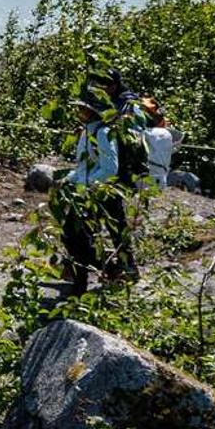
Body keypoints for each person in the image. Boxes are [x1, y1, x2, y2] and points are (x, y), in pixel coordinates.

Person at [54, 94, 138, 294]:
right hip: (90, 191)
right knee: (75, 235)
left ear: (92, 112)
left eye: (82, 108)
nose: (78, 112)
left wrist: (86, 186)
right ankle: (110, 269)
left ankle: (86, 281)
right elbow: (84, 167)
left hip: (102, 193)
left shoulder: (103, 133)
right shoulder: (86, 133)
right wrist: (68, 180)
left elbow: (110, 168)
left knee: (83, 236)